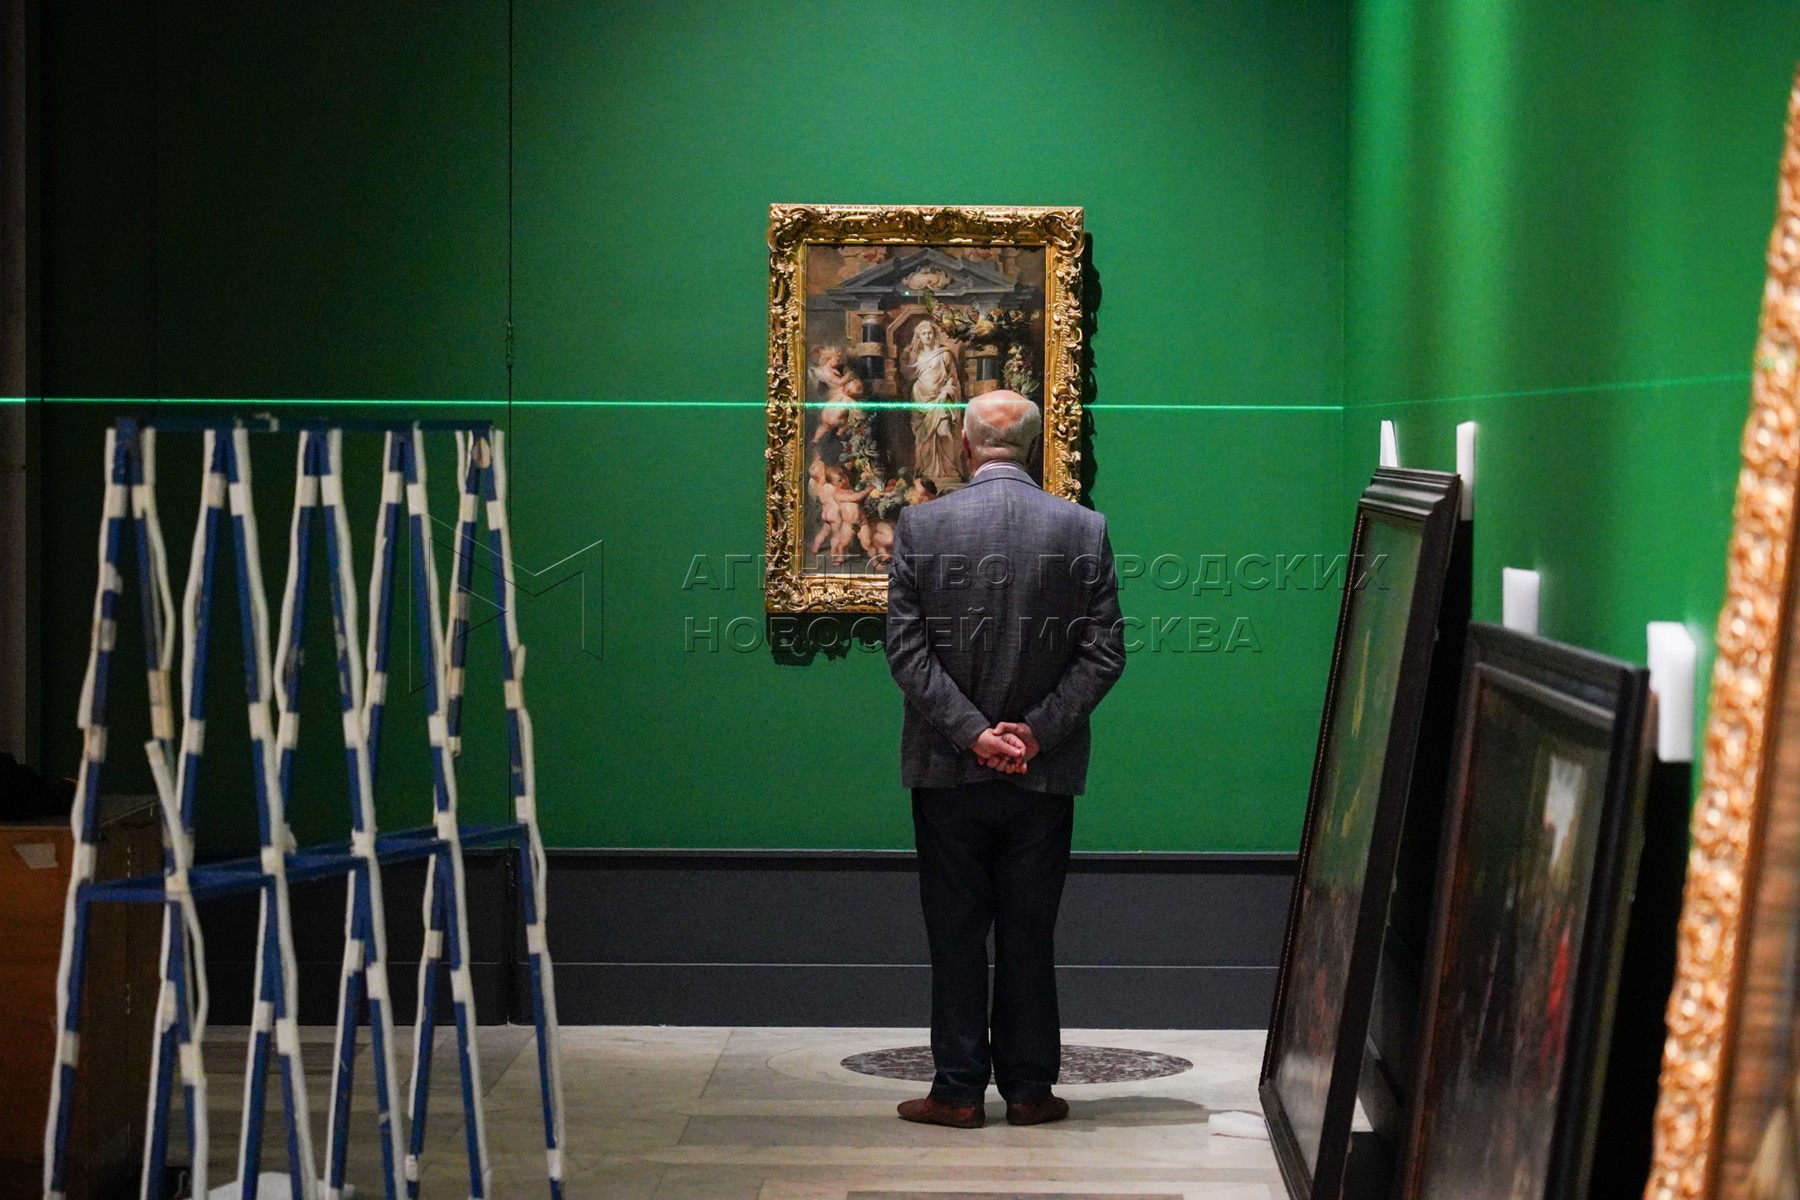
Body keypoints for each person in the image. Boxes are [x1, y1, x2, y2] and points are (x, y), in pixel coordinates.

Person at [883, 391, 1127, 1130]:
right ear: (1033, 445)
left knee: (955, 932)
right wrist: (1035, 734)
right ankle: (1029, 1090)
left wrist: (973, 734)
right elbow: (1103, 654)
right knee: (1029, 932)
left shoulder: (922, 525)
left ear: (963, 445)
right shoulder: (1083, 528)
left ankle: (957, 1091)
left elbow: (907, 653)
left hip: (946, 768)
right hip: (1041, 774)